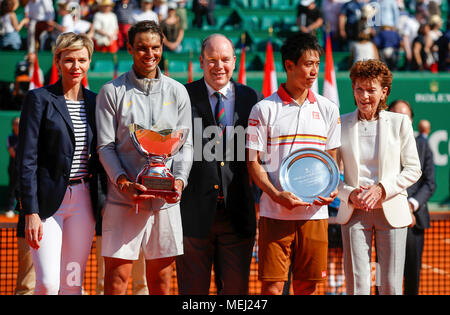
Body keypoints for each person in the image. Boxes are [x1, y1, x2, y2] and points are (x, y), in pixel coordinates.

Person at [96, 20, 193, 295]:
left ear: (163, 47)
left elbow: (186, 146)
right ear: (129, 48)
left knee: (162, 284)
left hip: (165, 202)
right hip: (123, 199)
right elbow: (105, 146)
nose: (149, 54)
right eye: (141, 48)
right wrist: (123, 181)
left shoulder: (178, 92)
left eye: (155, 47)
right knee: (116, 282)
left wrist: (180, 181)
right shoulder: (111, 92)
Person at [246, 32, 341, 295]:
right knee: (273, 288)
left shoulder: (328, 108)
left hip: (315, 215)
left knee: (307, 288)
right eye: (307, 64)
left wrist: (331, 189)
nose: (314, 71)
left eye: (317, 64)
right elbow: (252, 163)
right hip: (274, 214)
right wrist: (277, 195)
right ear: (289, 65)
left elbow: (332, 161)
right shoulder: (263, 109)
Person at [176, 34, 263, 295]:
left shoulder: (252, 98)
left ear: (234, 61)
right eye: (212, 60)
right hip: (192, 215)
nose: (219, 66)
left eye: (225, 59)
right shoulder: (183, 96)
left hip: (238, 215)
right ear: (201, 61)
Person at [15, 32, 99, 295]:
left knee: (72, 285)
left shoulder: (96, 102)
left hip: (84, 202)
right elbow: (26, 158)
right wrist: (30, 211)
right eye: (69, 60)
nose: (76, 66)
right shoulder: (38, 99)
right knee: (48, 283)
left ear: (89, 62)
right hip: (47, 205)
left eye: (82, 60)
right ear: (58, 61)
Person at [335, 60, 421, 295]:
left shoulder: (400, 123)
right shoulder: (340, 123)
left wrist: (382, 189)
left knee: (391, 286)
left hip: (391, 209)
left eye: (371, 90)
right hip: (354, 211)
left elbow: (413, 169)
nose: (364, 96)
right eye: (359, 89)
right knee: (357, 287)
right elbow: (330, 174)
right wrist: (350, 193)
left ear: (384, 92)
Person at [388, 100, 435, 295]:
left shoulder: (423, 146)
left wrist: (409, 206)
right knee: (385, 276)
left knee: (412, 276)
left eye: (405, 117)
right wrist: (397, 207)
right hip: (387, 220)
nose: (401, 121)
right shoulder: (381, 145)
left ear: (412, 121)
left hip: (414, 223)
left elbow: (429, 183)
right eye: (396, 116)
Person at [5, 117, 20, 218]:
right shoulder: (10, 137)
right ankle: (10, 208)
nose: (18, 125)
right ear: (13, 126)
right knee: (13, 187)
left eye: (19, 124)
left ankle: (22, 210)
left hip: (24, 167)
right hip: (13, 166)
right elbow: (12, 152)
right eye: (16, 124)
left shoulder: (25, 136)